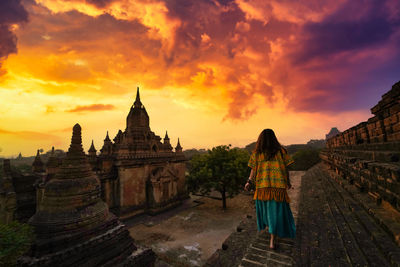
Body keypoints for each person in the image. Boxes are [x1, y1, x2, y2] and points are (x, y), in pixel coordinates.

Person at [244, 129, 296, 249]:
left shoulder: (257, 153)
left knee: (267, 212)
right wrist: (288, 182)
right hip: (278, 188)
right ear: (274, 138)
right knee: (275, 213)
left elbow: (252, 169)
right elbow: (286, 168)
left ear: (260, 139)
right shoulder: (281, 151)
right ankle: (273, 239)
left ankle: (272, 236)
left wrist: (249, 181)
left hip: (262, 187)